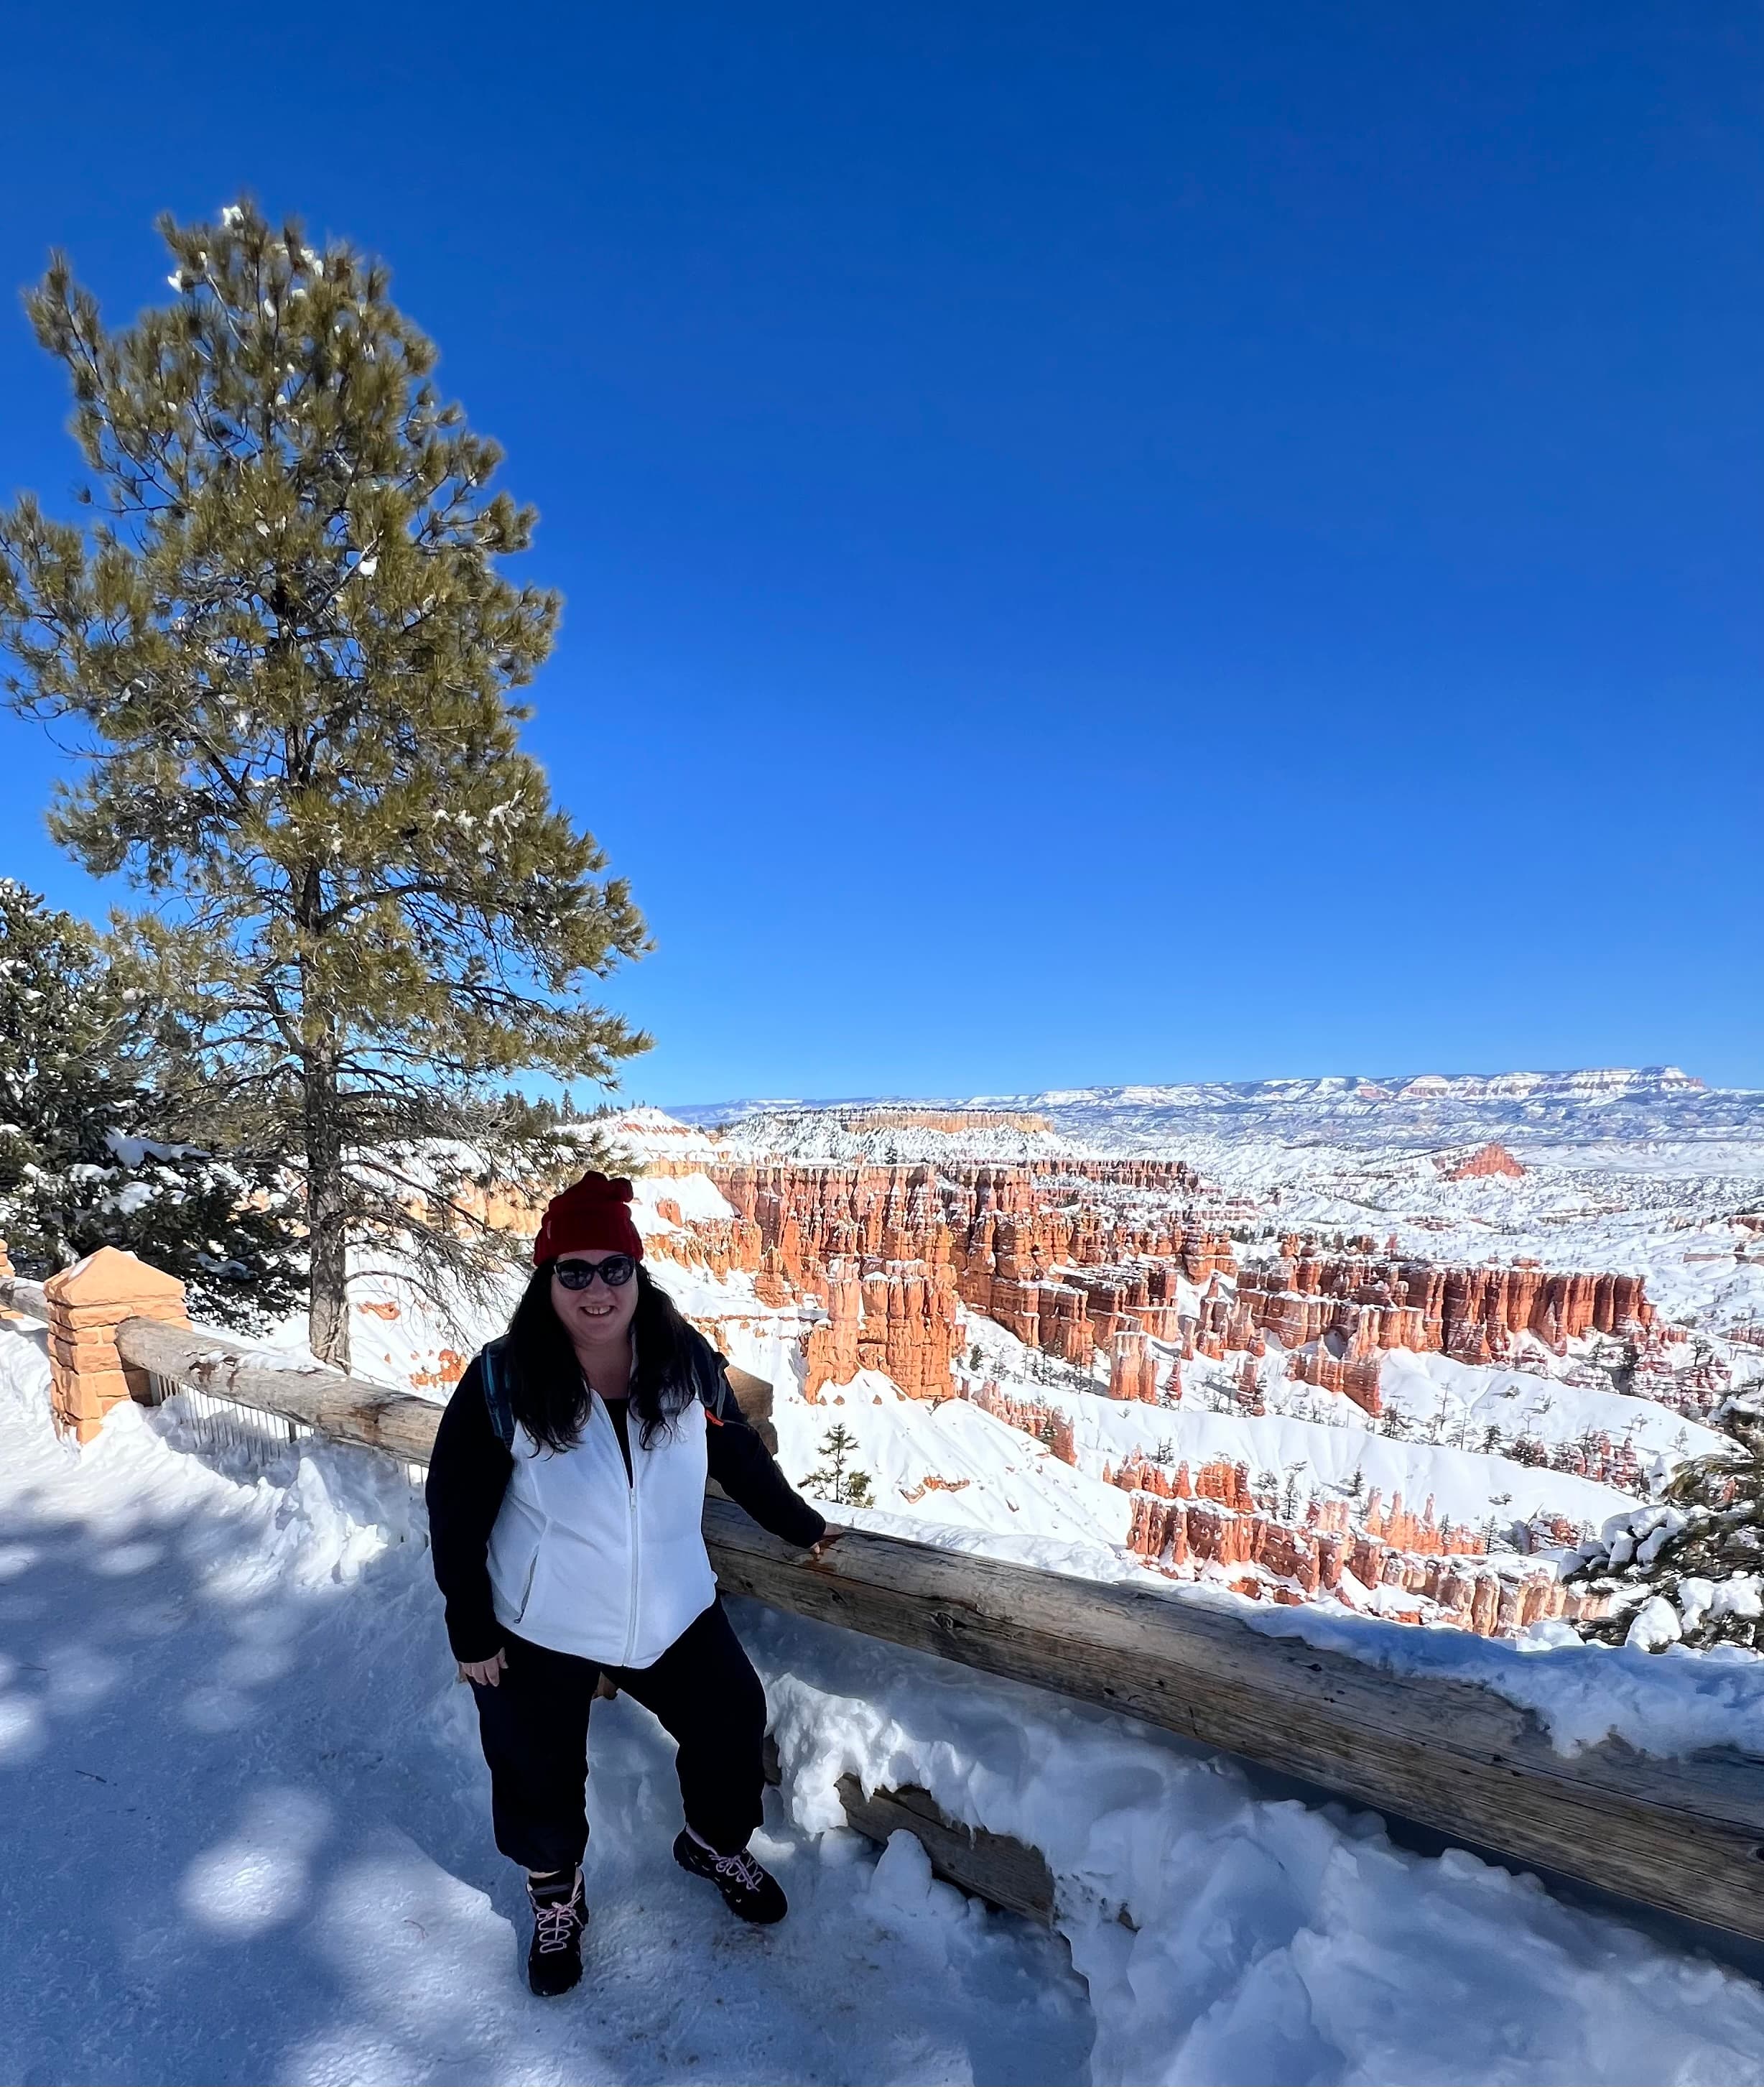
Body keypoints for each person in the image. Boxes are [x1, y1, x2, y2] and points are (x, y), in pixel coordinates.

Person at [425, 1170, 840, 1998]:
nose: (596, 1288)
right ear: (546, 1280)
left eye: (613, 1267)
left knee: (731, 1721)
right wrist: (470, 1627)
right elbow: (455, 1504)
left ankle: (712, 1843)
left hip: (672, 1607)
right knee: (534, 1771)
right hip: (540, 1618)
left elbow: (735, 1449)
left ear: (637, 1272)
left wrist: (800, 1525)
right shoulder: (503, 1378)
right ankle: (557, 1895)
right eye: (573, 1270)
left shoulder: (683, 1359)